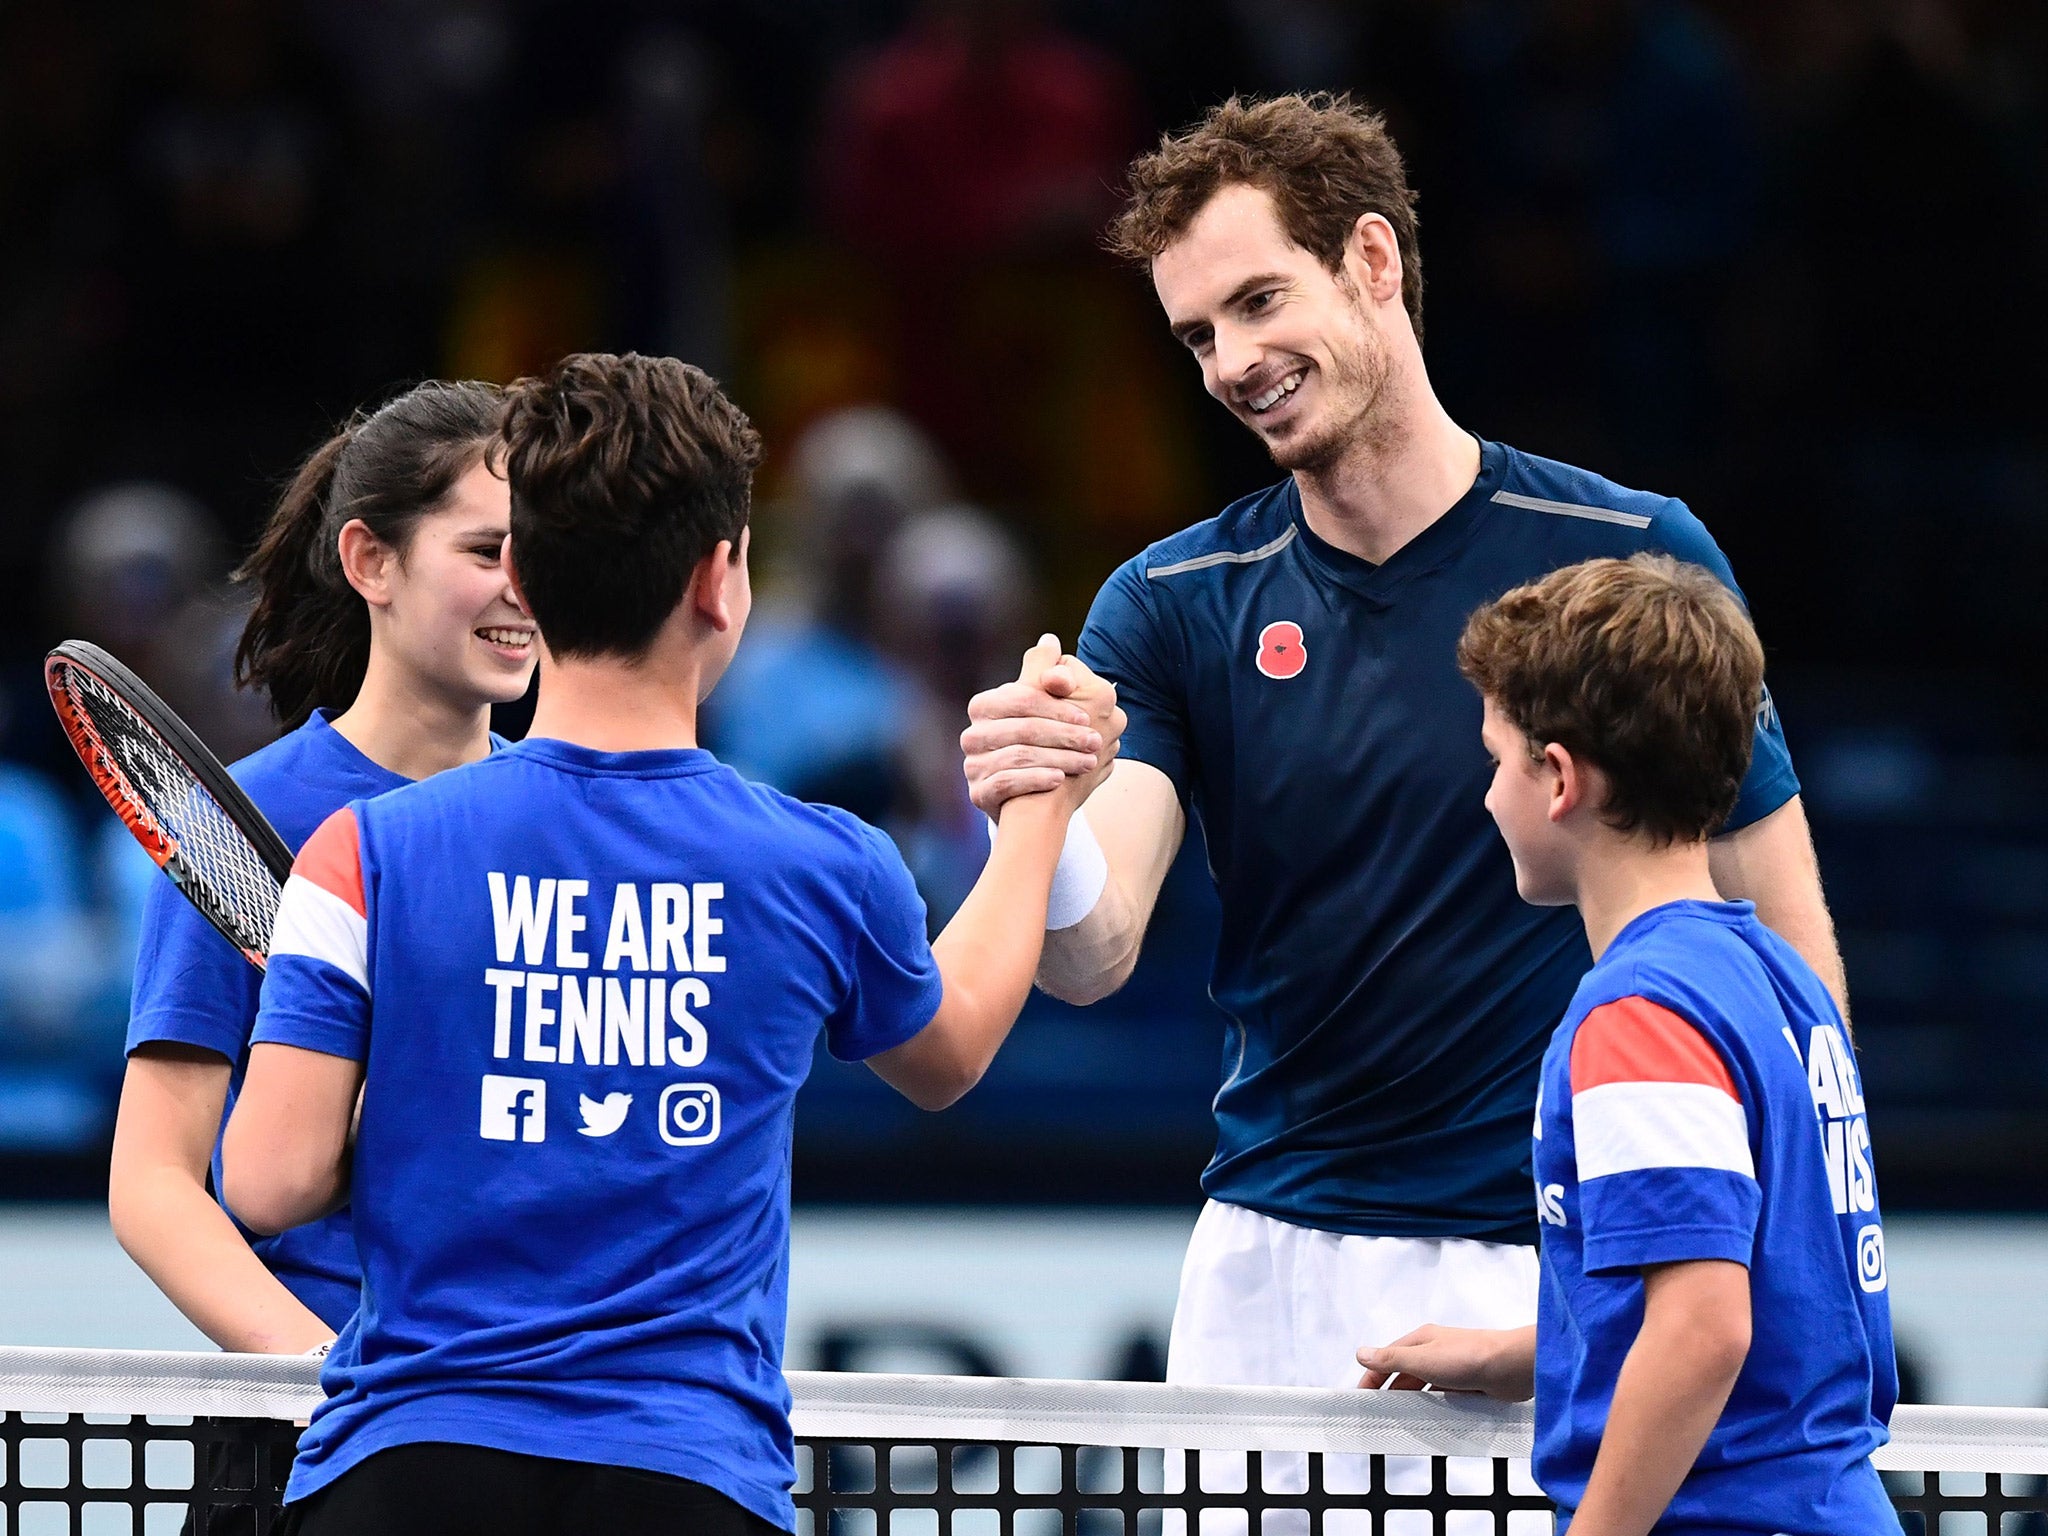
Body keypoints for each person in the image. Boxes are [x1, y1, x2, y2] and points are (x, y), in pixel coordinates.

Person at [961, 94, 1844, 1408]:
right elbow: (1093, 956)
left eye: (1261, 302)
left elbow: (1790, 951)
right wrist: (1033, 805)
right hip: (1268, 1272)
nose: (1229, 363)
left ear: (1373, 262)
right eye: (1197, 334)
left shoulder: (1637, 555)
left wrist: (1793, 1255)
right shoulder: (1172, 599)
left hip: (1562, 1254)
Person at [219, 353, 1118, 1536]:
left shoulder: (361, 850)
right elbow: (948, 1054)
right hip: (686, 1481)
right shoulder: (823, 863)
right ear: (720, 579)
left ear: (525, 580)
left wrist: (420, 1103)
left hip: (405, 1469)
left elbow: (268, 1181)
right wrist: (1040, 809)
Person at [1359, 554, 1899, 1536]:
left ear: (1558, 778)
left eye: (1496, 759)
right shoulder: (1784, 982)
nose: (1487, 797)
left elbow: (1702, 1330)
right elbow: (1780, 1295)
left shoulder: (1638, 1014)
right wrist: (1530, 1353)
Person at [109, 379, 537, 1357]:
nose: (523, 585)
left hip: (517, 1406)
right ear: (369, 561)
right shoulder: (244, 819)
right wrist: (322, 1375)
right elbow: (154, 1180)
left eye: (542, 553)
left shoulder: (573, 818)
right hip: (311, 1428)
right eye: (484, 550)